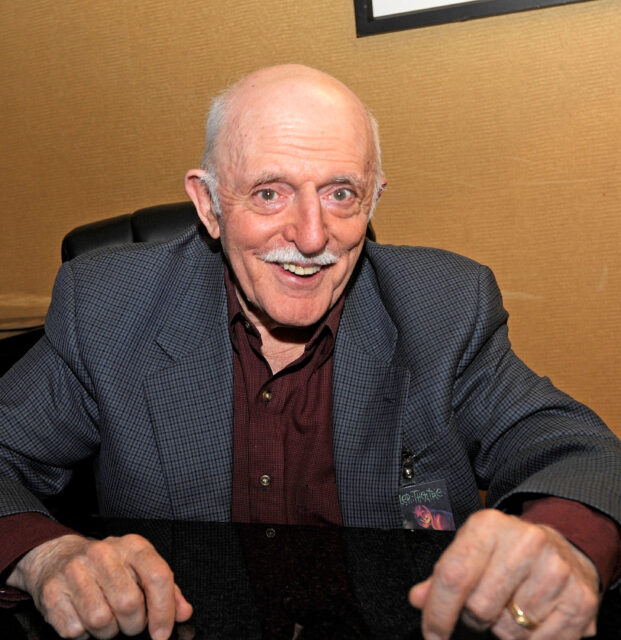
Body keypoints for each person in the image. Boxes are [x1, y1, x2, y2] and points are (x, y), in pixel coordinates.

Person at [0, 64, 619, 640]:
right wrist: (46, 553)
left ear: (374, 198)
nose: (312, 235)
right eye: (270, 193)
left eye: (340, 194)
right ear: (209, 204)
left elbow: (580, 452)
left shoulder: (444, 308)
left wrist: (561, 547)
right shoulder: (111, 309)